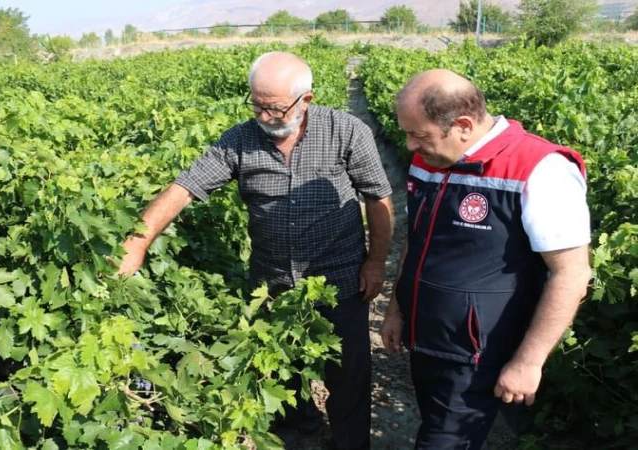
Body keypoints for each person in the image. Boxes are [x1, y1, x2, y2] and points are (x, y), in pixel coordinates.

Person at [119, 51, 394, 450]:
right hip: (272, 285)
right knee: (282, 372)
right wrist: (138, 241)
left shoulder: (347, 131)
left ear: (306, 101)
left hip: (340, 280)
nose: (265, 117)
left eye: (276, 109)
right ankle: (299, 435)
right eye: (257, 106)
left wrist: (376, 261)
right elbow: (186, 186)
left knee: (347, 376)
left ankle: (349, 442)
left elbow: (378, 199)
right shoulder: (239, 139)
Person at [379, 68, 592, 449]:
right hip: (425, 338)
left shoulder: (540, 169)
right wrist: (396, 308)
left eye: (418, 134)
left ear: (462, 125)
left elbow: (571, 274)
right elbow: (417, 239)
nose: (409, 145)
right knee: (433, 424)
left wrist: (528, 361)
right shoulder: (431, 158)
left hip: (475, 355)